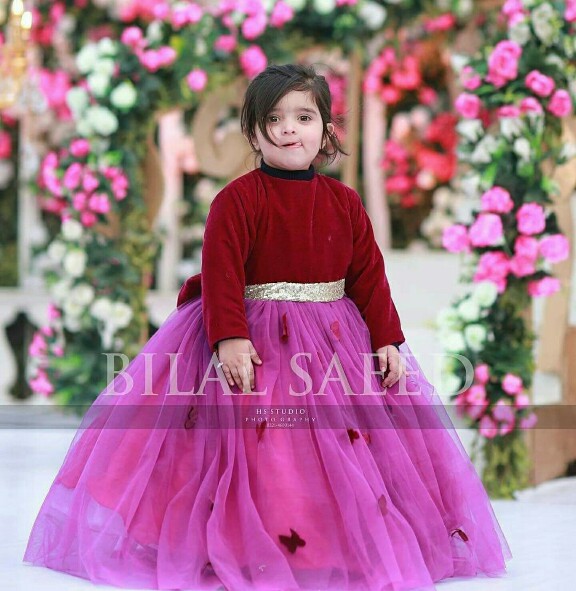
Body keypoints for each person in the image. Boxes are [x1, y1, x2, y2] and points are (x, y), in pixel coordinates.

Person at [23, 64, 511, 591]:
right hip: (255, 343)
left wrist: (388, 337)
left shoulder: (344, 203)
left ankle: (327, 546)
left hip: (333, 344)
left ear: (326, 130)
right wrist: (229, 336)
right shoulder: (238, 200)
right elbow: (221, 270)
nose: (288, 128)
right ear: (253, 132)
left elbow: (368, 274)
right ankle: (249, 544)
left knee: (337, 450)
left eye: (304, 116)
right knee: (268, 448)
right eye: (273, 119)